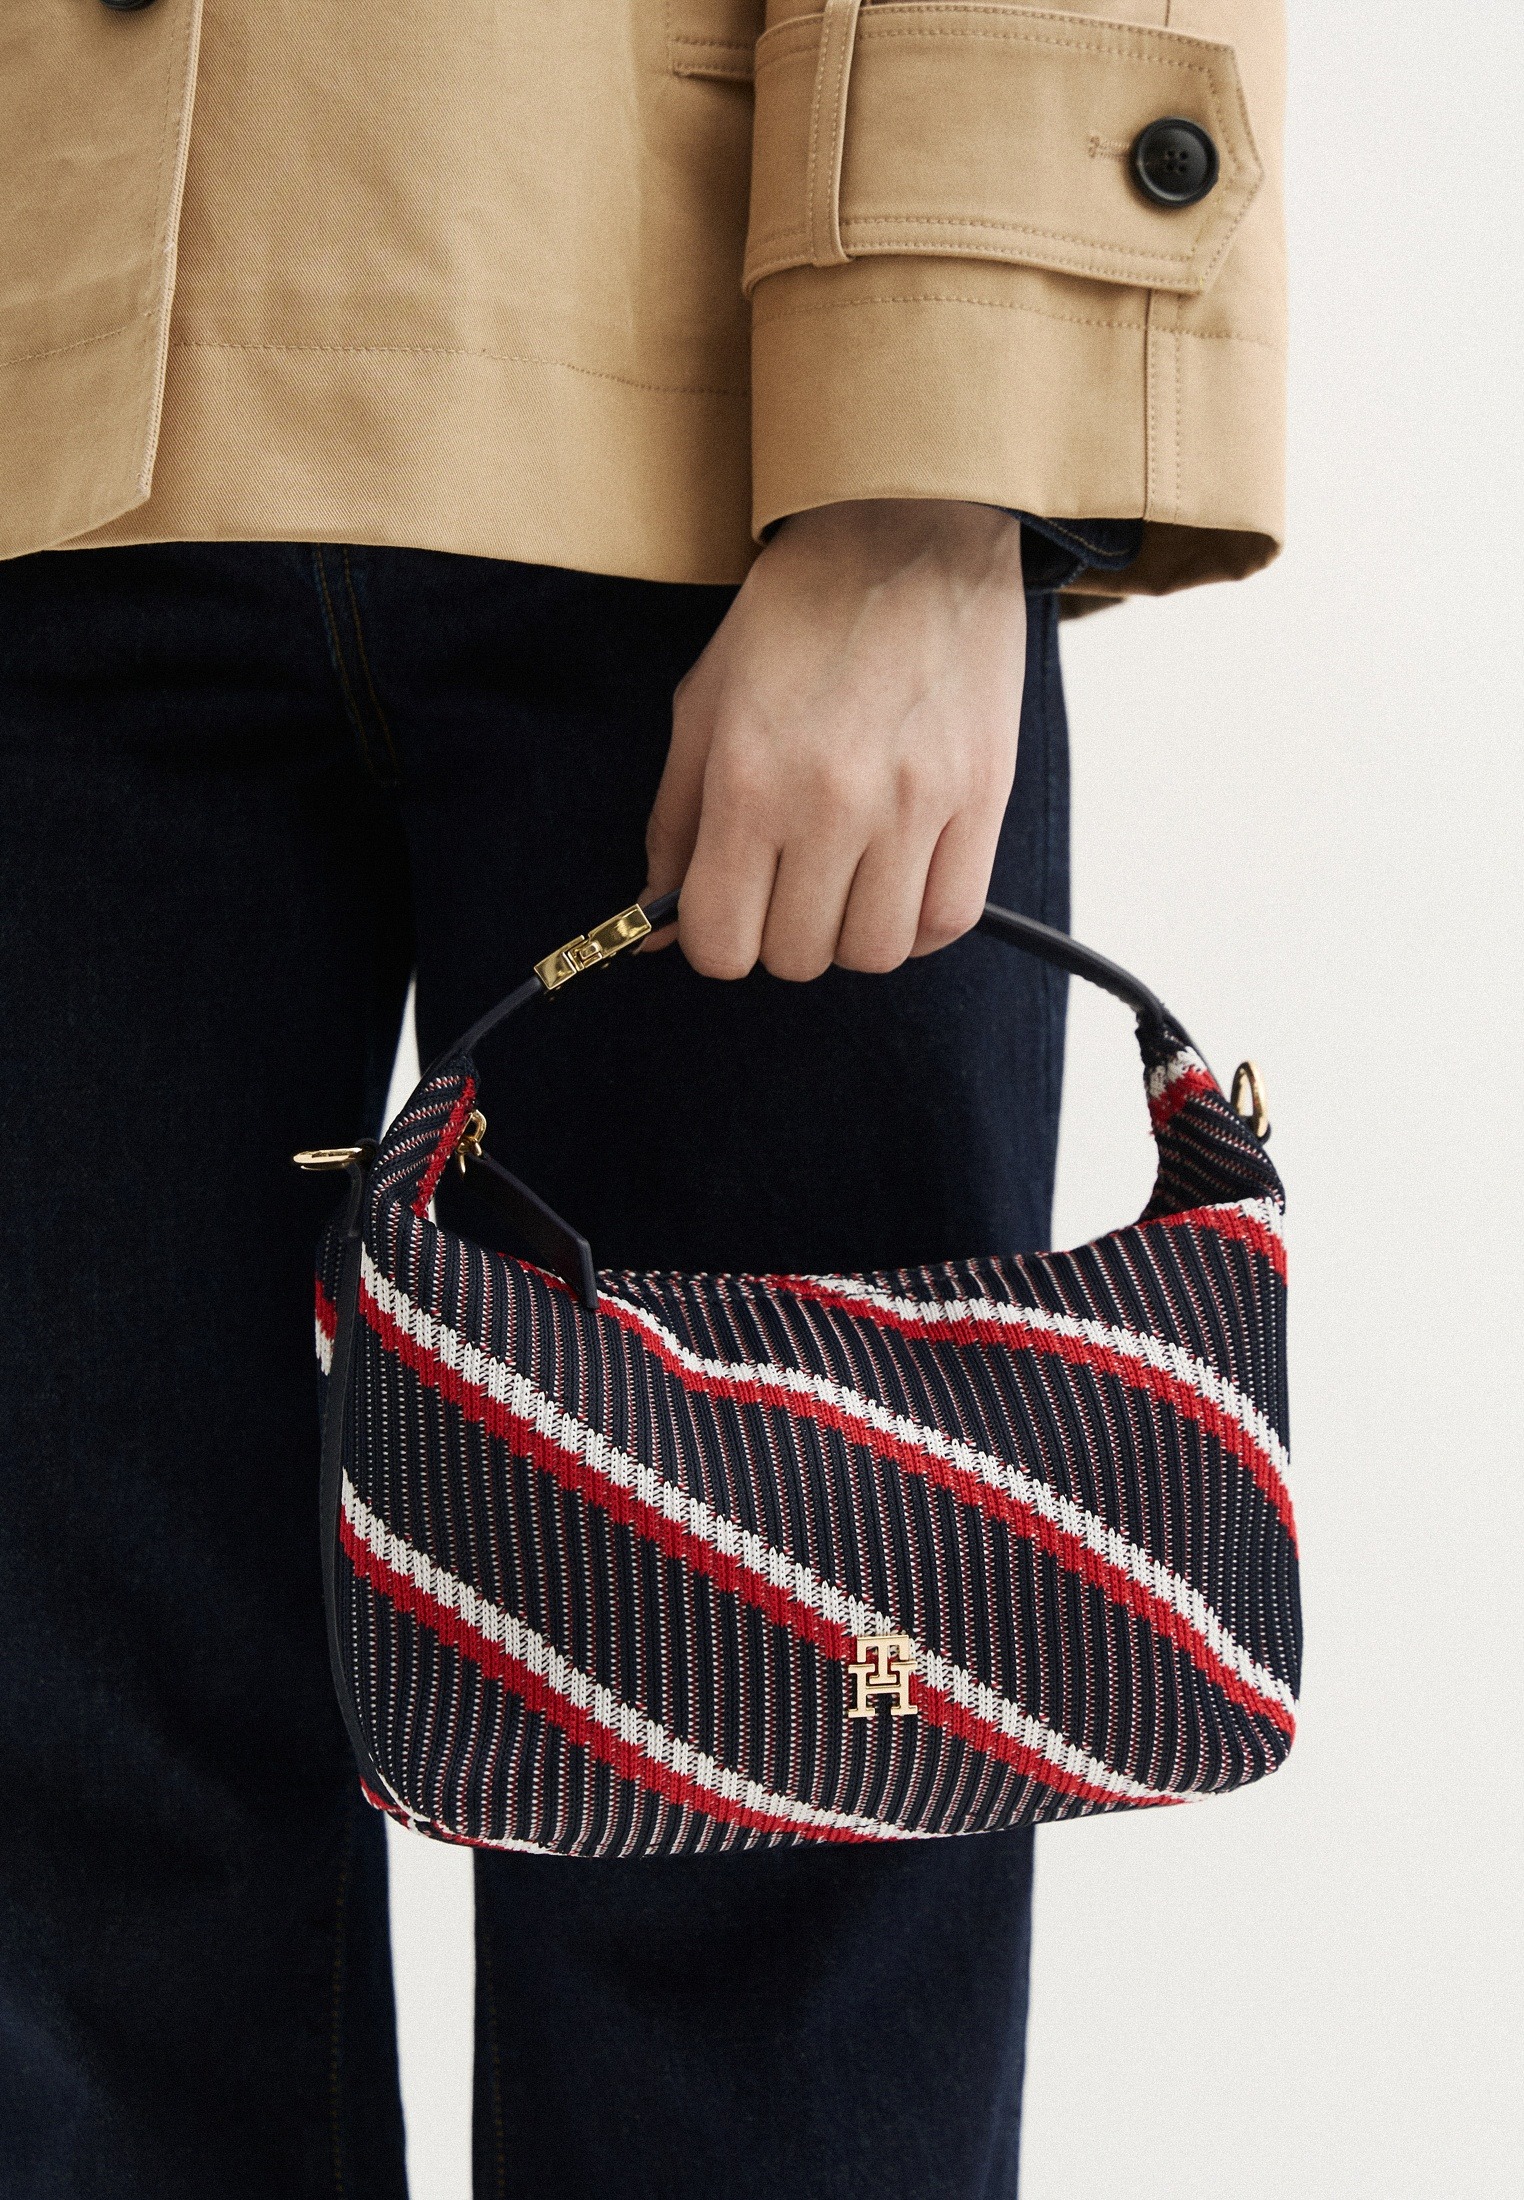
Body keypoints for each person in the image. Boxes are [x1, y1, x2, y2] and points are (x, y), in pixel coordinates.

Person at [0, 3, 1286, 2194]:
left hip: (687, 432)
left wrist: (937, 460)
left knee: (779, 1824)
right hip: (56, 432)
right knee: (66, 1858)